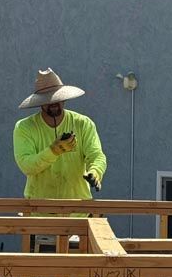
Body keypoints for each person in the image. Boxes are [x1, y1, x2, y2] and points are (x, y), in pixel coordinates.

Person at [13, 68, 106, 201]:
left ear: (64, 99)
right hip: (40, 212)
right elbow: (27, 166)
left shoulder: (83, 124)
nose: (53, 104)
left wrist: (95, 172)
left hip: (78, 210)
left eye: (57, 98)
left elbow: (96, 155)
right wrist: (53, 151)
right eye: (48, 100)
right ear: (40, 102)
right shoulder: (24, 127)